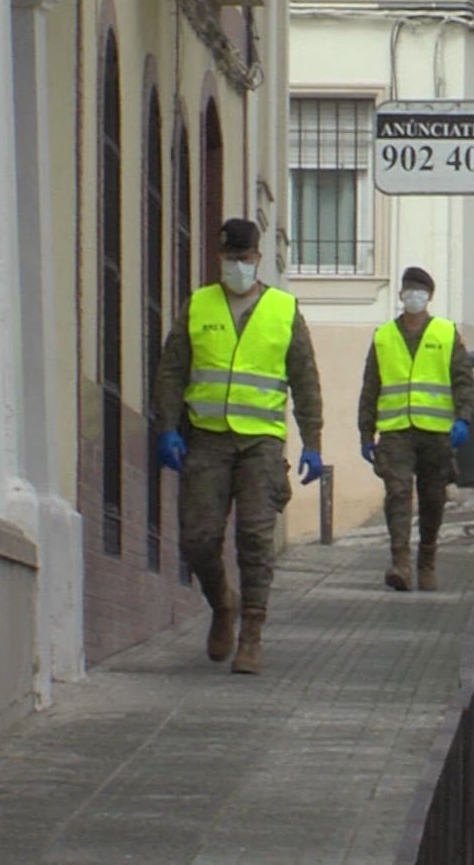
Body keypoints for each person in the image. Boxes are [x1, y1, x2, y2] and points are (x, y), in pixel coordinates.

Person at [151, 218, 325, 674]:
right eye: (230, 260)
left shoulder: (284, 310)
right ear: (219, 258)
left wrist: (313, 443)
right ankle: (222, 604)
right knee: (198, 539)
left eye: (245, 260)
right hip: (206, 439)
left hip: (261, 444)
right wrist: (167, 427)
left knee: (254, 537)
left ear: (258, 259)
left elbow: (305, 380)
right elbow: (172, 371)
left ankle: (251, 634)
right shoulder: (198, 306)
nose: (237, 267)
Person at [358, 266, 474, 591]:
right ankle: (400, 563)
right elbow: (371, 387)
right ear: (400, 294)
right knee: (397, 492)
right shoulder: (383, 337)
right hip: (396, 430)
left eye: (419, 290)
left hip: (436, 432)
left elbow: (464, 381)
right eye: (409, 289)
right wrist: (365, 433)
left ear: (429, 296)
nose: (413, 295)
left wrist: (463, 418)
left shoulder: (446, 333)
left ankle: (427, 560)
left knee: (432, 496)